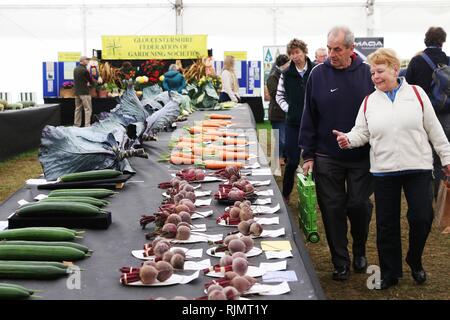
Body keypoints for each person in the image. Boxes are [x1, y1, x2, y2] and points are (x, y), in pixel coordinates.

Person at [334, 48, 450, 289]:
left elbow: (434, 129)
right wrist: (348, 139)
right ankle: (389, 272)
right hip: (384, 171)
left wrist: (447, 158)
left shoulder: (417, 94)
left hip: (417, 167)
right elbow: (361, 132)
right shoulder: (369, 102)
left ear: (395, 69)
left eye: (380, 71)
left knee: (421, 218)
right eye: (372, 73)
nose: (375, 77)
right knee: (386, 225)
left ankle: (414, 260)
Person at [299, 26, 374, 281]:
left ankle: (360, 248)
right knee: (332, 209)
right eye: (329, 48)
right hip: (326, 155)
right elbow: (309, 114)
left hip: (361, 156)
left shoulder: (367, 74)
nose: (332, 54)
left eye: (337, 49)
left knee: (359, 205)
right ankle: (340, 260)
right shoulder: (317, 75)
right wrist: (307, 155)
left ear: (351, 49)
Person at [406, 26, 450, 197]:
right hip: (445, 114)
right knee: (442, 156)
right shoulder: (448, 60)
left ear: (426, 39)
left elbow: (407, 86)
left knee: (424, 156)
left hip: (421, 113)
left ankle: (424, 194)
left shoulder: (417, 61)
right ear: (442, 41)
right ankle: (441, 195)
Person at [276, 39, 315, 200]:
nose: (295, 56)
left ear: (304, 52)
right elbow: (279, 96)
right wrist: (289, 109)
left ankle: (313, 195)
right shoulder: (286, 74)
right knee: (292, 162)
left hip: (314, 123)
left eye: (298, 52)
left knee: (315, 161)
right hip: (293, 123)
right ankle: (286, 194)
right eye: (292, 53)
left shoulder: (316, 70)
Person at [267, 54, 290, 165]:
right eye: (287, 64)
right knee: (280, 139)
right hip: (277, 113)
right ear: (281, 65)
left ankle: (284, 157)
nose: (289, 66)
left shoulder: (286, 75)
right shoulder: (273, 77)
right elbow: (275, 95)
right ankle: (278, 157)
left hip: (285, 112)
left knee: (286, 138)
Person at [73, 56, 95, 127]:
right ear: (82, 61)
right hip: (84, 92)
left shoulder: (75, 69)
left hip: (77, 92)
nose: (88, 61)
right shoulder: (84, 70)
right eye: (87, 60)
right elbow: (90, 81)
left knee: (78, 109)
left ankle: (76, 125)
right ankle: (87, 125)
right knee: (88, 109)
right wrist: (93, 83)